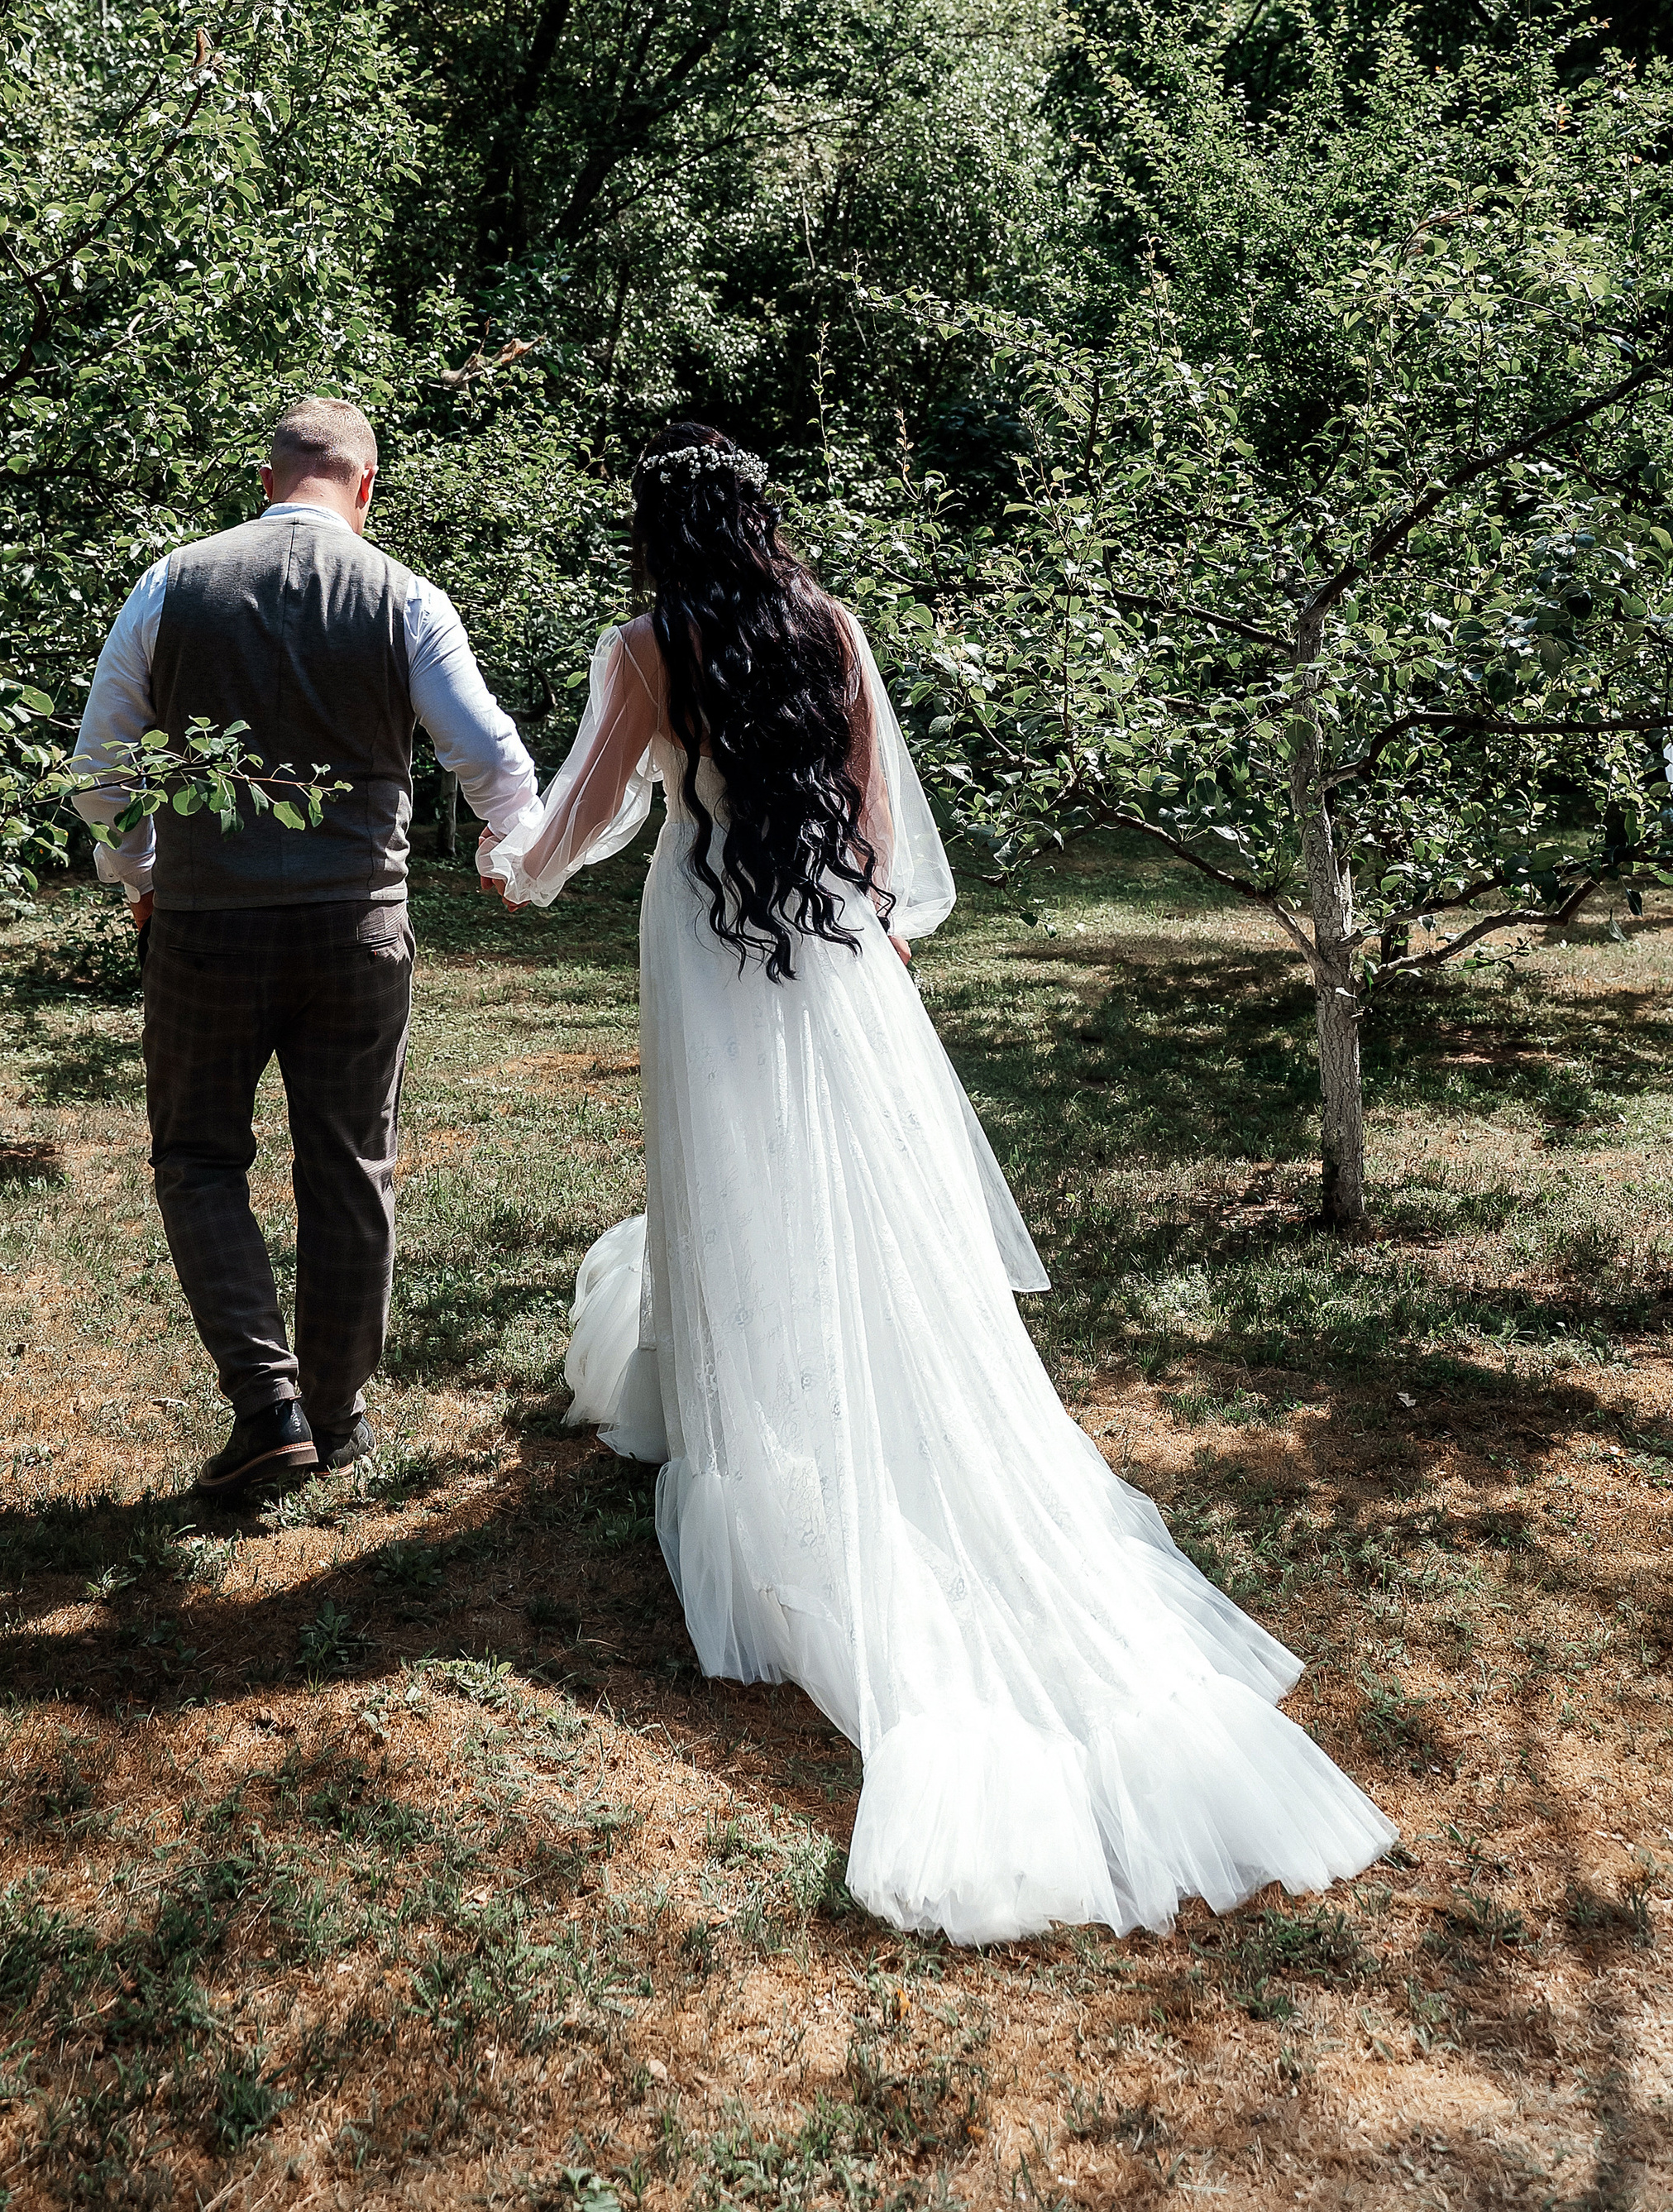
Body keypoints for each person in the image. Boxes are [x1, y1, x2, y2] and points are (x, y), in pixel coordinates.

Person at [480, 420, 1394, 1946]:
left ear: (655, 533)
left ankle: (757, 1414)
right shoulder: (828, 626)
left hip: (712, 951)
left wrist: (513, 860)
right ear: (757, 519)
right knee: (862, 1197)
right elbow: (879, 824)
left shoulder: (646, 647)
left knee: (738, 1183)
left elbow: (580, 813)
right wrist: (868, 942)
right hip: (838, 944)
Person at [73, 398, 537, 1497]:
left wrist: (143, 875)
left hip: (206, 927)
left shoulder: (172, 583)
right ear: (367, 487)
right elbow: (493, 759)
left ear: (267, 479)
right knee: (349, 1162)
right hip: (356, 928)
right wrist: (507, 845)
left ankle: (267, 1405)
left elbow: (100, 769)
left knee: (198, 1159)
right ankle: (333, 1414)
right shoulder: (403, 596)